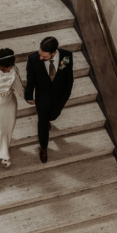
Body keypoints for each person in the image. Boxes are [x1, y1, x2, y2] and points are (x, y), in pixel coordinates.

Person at [24, 34, 74, 163]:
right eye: (40, 53)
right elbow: (31, 80)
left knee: (53, 116)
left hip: (59, 96)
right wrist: (28, 96)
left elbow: (69, 76)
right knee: (42, 122)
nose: (40, 57)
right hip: (42, 96)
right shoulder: (33, 59)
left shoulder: (66, 56)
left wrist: (66, 94)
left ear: (53, 53)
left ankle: (49, 120)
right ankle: (44, 147)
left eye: (44, 56)